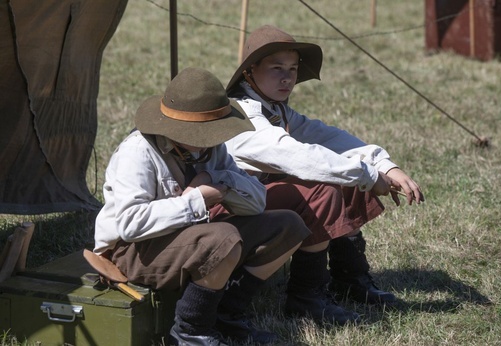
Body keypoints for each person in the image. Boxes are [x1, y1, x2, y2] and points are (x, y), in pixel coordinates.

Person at [219, 25, 425, 321]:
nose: (287, 77)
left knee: (344, 173)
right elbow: (294, 155)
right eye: (276, 68)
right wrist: (367, 175)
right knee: (326, 185)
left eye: (292, 68)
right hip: (227, 212)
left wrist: (382, 165)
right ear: (250, 70)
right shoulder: (242, 115)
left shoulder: (274, 108)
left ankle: (351, 279)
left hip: (250, 201)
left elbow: (324, 137)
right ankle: (306, 297)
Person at [93, 67, 311, 345]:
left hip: (187, 238)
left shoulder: (211, 149)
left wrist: (216, 178)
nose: (213, 138)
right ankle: (192, 330)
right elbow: (130, 224)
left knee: (288, 226)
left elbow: (257, 202)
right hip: (131, 251)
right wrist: (196, 200)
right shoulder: (138, 151)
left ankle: (227, 313)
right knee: (224, 240)